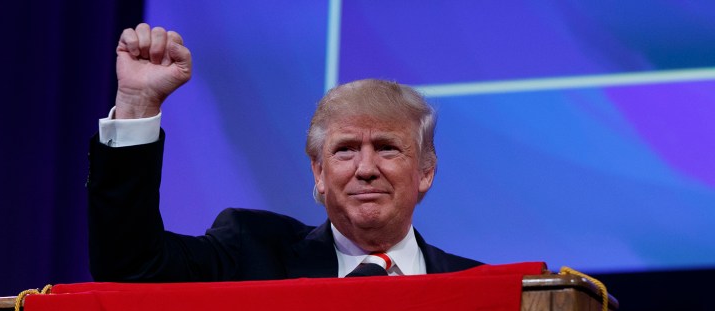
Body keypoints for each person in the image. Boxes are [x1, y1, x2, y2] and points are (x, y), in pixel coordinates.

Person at [88, 23, 481, 282]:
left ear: (426, 171)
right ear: (319, 174)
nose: (365, 168)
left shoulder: (481, 291)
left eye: (386, 148)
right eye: (345, 150)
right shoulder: (253, 256)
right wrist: (137, 105)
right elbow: (131, 265)